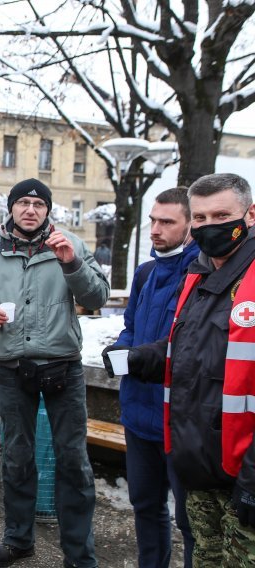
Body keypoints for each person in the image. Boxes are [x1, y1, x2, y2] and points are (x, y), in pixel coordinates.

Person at [0, 178, 108, 568]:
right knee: (16, 456)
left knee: (73, 459)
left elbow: (97, 297)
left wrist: (72, 263)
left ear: (48, 211)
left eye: (39, 204)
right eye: (24, 203)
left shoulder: (71, 245)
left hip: (63, 368)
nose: (31, 209)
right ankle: (18, 539)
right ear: (11, 208)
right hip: (13, 368)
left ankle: (79, 555)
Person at [116, 173, 255, 566]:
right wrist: (147, 356)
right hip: (199, 456)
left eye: (221, 215)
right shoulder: (201, 273)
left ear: (250, 214)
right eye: (201, 218)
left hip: (241, 466)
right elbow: (193, 348)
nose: (210, 226)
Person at [102, 188, 197, 567]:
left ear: (191, 225)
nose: (155, 230)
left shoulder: (202, 274)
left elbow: (189, 346)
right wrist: (119, 348)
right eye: (153, 221)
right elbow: (130, 329)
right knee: (145, 505)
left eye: (167, 222)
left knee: (190, 522)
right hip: (138, 415)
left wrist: (141, 355)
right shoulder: (146, 272)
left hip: (180, 423)